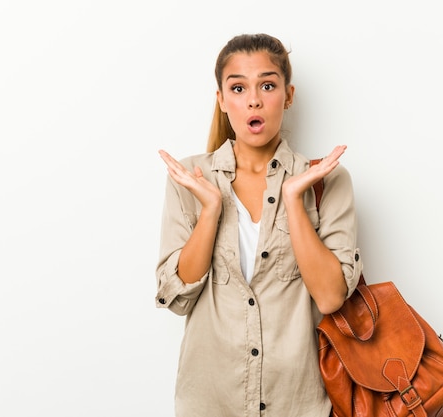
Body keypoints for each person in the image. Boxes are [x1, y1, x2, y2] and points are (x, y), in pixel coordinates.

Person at [155, 33, 363, 417]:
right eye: (238, 87)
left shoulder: (325, 180)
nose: (254, 99)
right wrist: (211, 210)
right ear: (221, 99)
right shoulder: (190, 178)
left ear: (288, 95)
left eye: (267, 85)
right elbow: (178, 298)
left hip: (298, 402)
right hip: (209, 399)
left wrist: (293, 203)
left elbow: (331, 297)